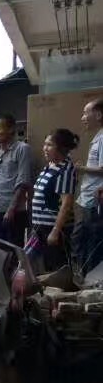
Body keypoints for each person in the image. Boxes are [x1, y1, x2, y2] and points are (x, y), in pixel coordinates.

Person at [28, 128, 79, 271]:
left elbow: (66, 204)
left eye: (49, 145)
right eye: (45, 144)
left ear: (61, 148)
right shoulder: (50, 166)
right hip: (41, 228)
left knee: (57, 269)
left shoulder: (66, 171)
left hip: (54, 229)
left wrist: (55, 231)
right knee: (44, 267)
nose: (45, 148)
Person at [0, 114, 34, 245]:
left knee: (12, 248)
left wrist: (11, 209)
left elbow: (23, 181)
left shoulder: (22, 149)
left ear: (11, 129)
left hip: (13, 210)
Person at [72, 98, 103, 280]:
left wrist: (80, 169)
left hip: (94, 201)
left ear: (98, 115)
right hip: (87, 199)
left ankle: (91, 282)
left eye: (86, 113)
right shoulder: (98, 136)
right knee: (82, 242)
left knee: (91, 243)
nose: (83, 117)